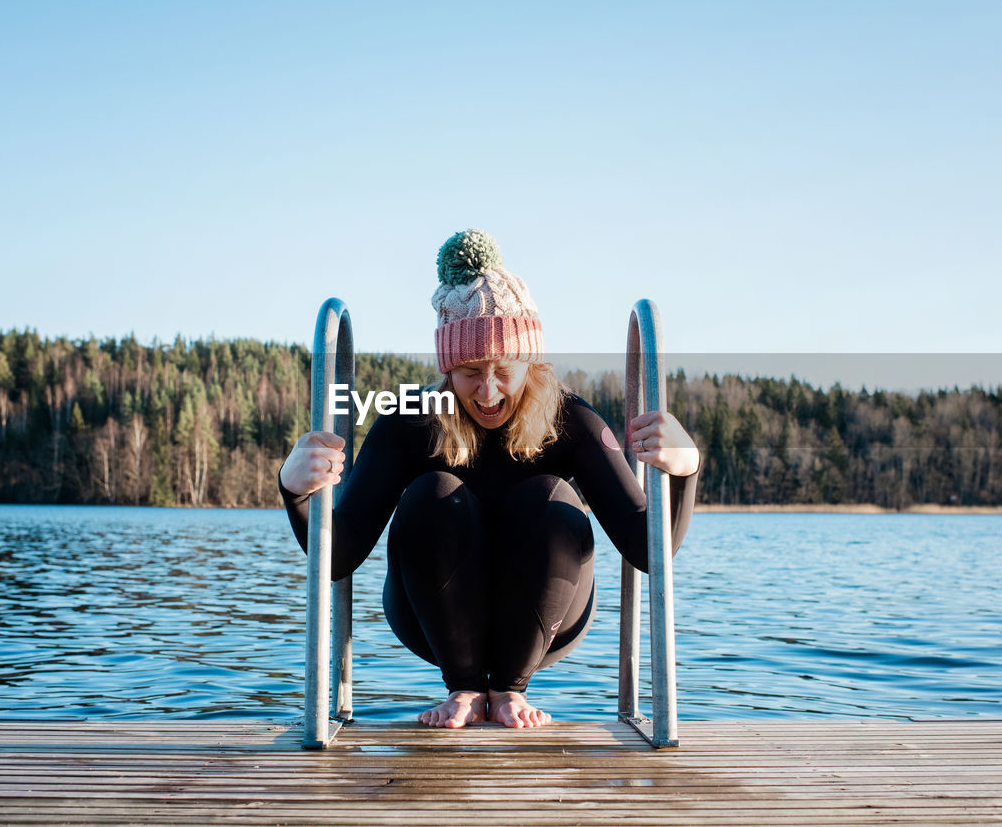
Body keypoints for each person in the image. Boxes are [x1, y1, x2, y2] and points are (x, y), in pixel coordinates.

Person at [278, 229, 700, 730]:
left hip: (550, 616)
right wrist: (296, 490)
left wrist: (685, 469)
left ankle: (509, 691)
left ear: (529, 360)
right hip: (430, 619)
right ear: (447, 368)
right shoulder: (410, 422)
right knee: (433, 493)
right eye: (470, 371)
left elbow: (647, 548)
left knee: (550, 498)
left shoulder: (573, 421)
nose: (488, 389)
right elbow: (339, 557)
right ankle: (465, 689)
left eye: (503, 368)